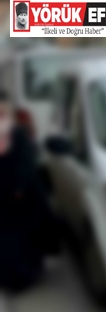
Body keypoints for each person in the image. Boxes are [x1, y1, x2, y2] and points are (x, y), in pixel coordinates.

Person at [0, 90, 58, 291]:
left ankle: (26, 274)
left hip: (24, 195)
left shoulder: (18, 132)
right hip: (5, 196)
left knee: (26, 238)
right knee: (9, 240)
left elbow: (26, 161)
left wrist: (19, 186)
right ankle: (12, 276)